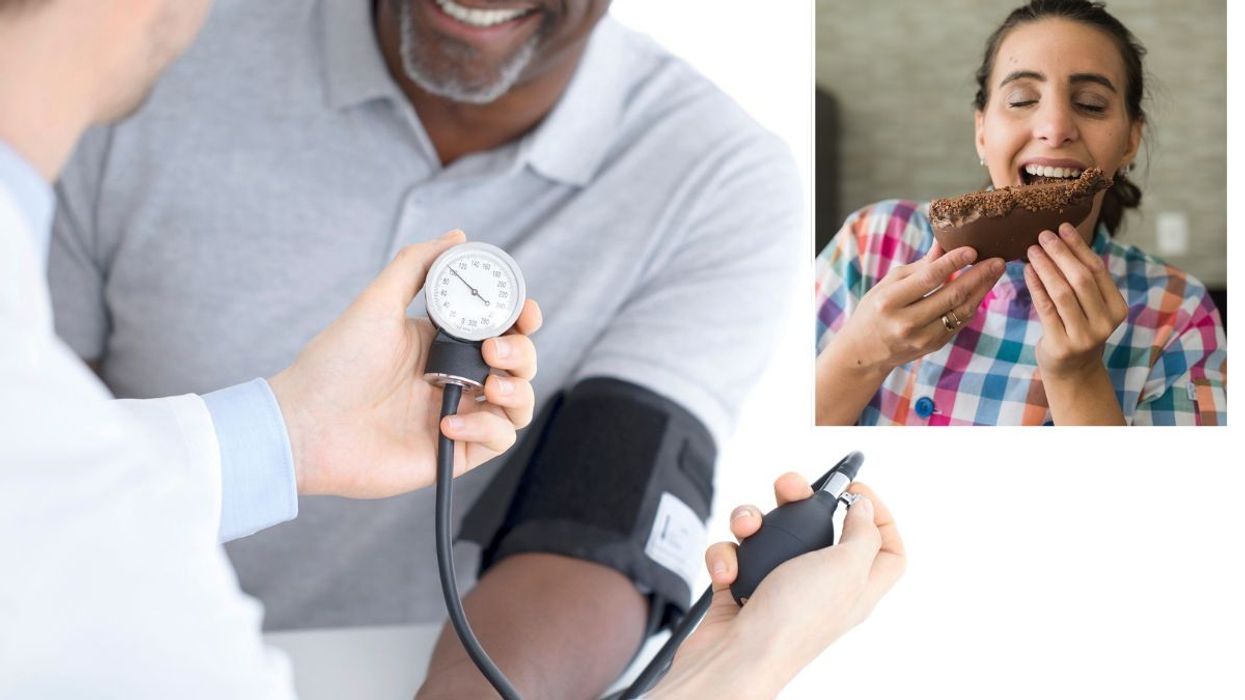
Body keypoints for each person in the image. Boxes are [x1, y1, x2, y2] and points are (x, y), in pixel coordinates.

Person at [1, 1, 902, 697]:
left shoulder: (713, 171)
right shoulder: (140, 54)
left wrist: (287, 436)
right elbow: (40, 450)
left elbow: (598, 521)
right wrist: (739, 671)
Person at [814, 0, 1226, 427]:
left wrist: (1079, 377)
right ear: (981, 132)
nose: (1055, 127)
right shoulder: (873, 241)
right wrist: (861, 356)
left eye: (1090, 103)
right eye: (1022, 99)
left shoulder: (1178, 313)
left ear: (1129, 141)